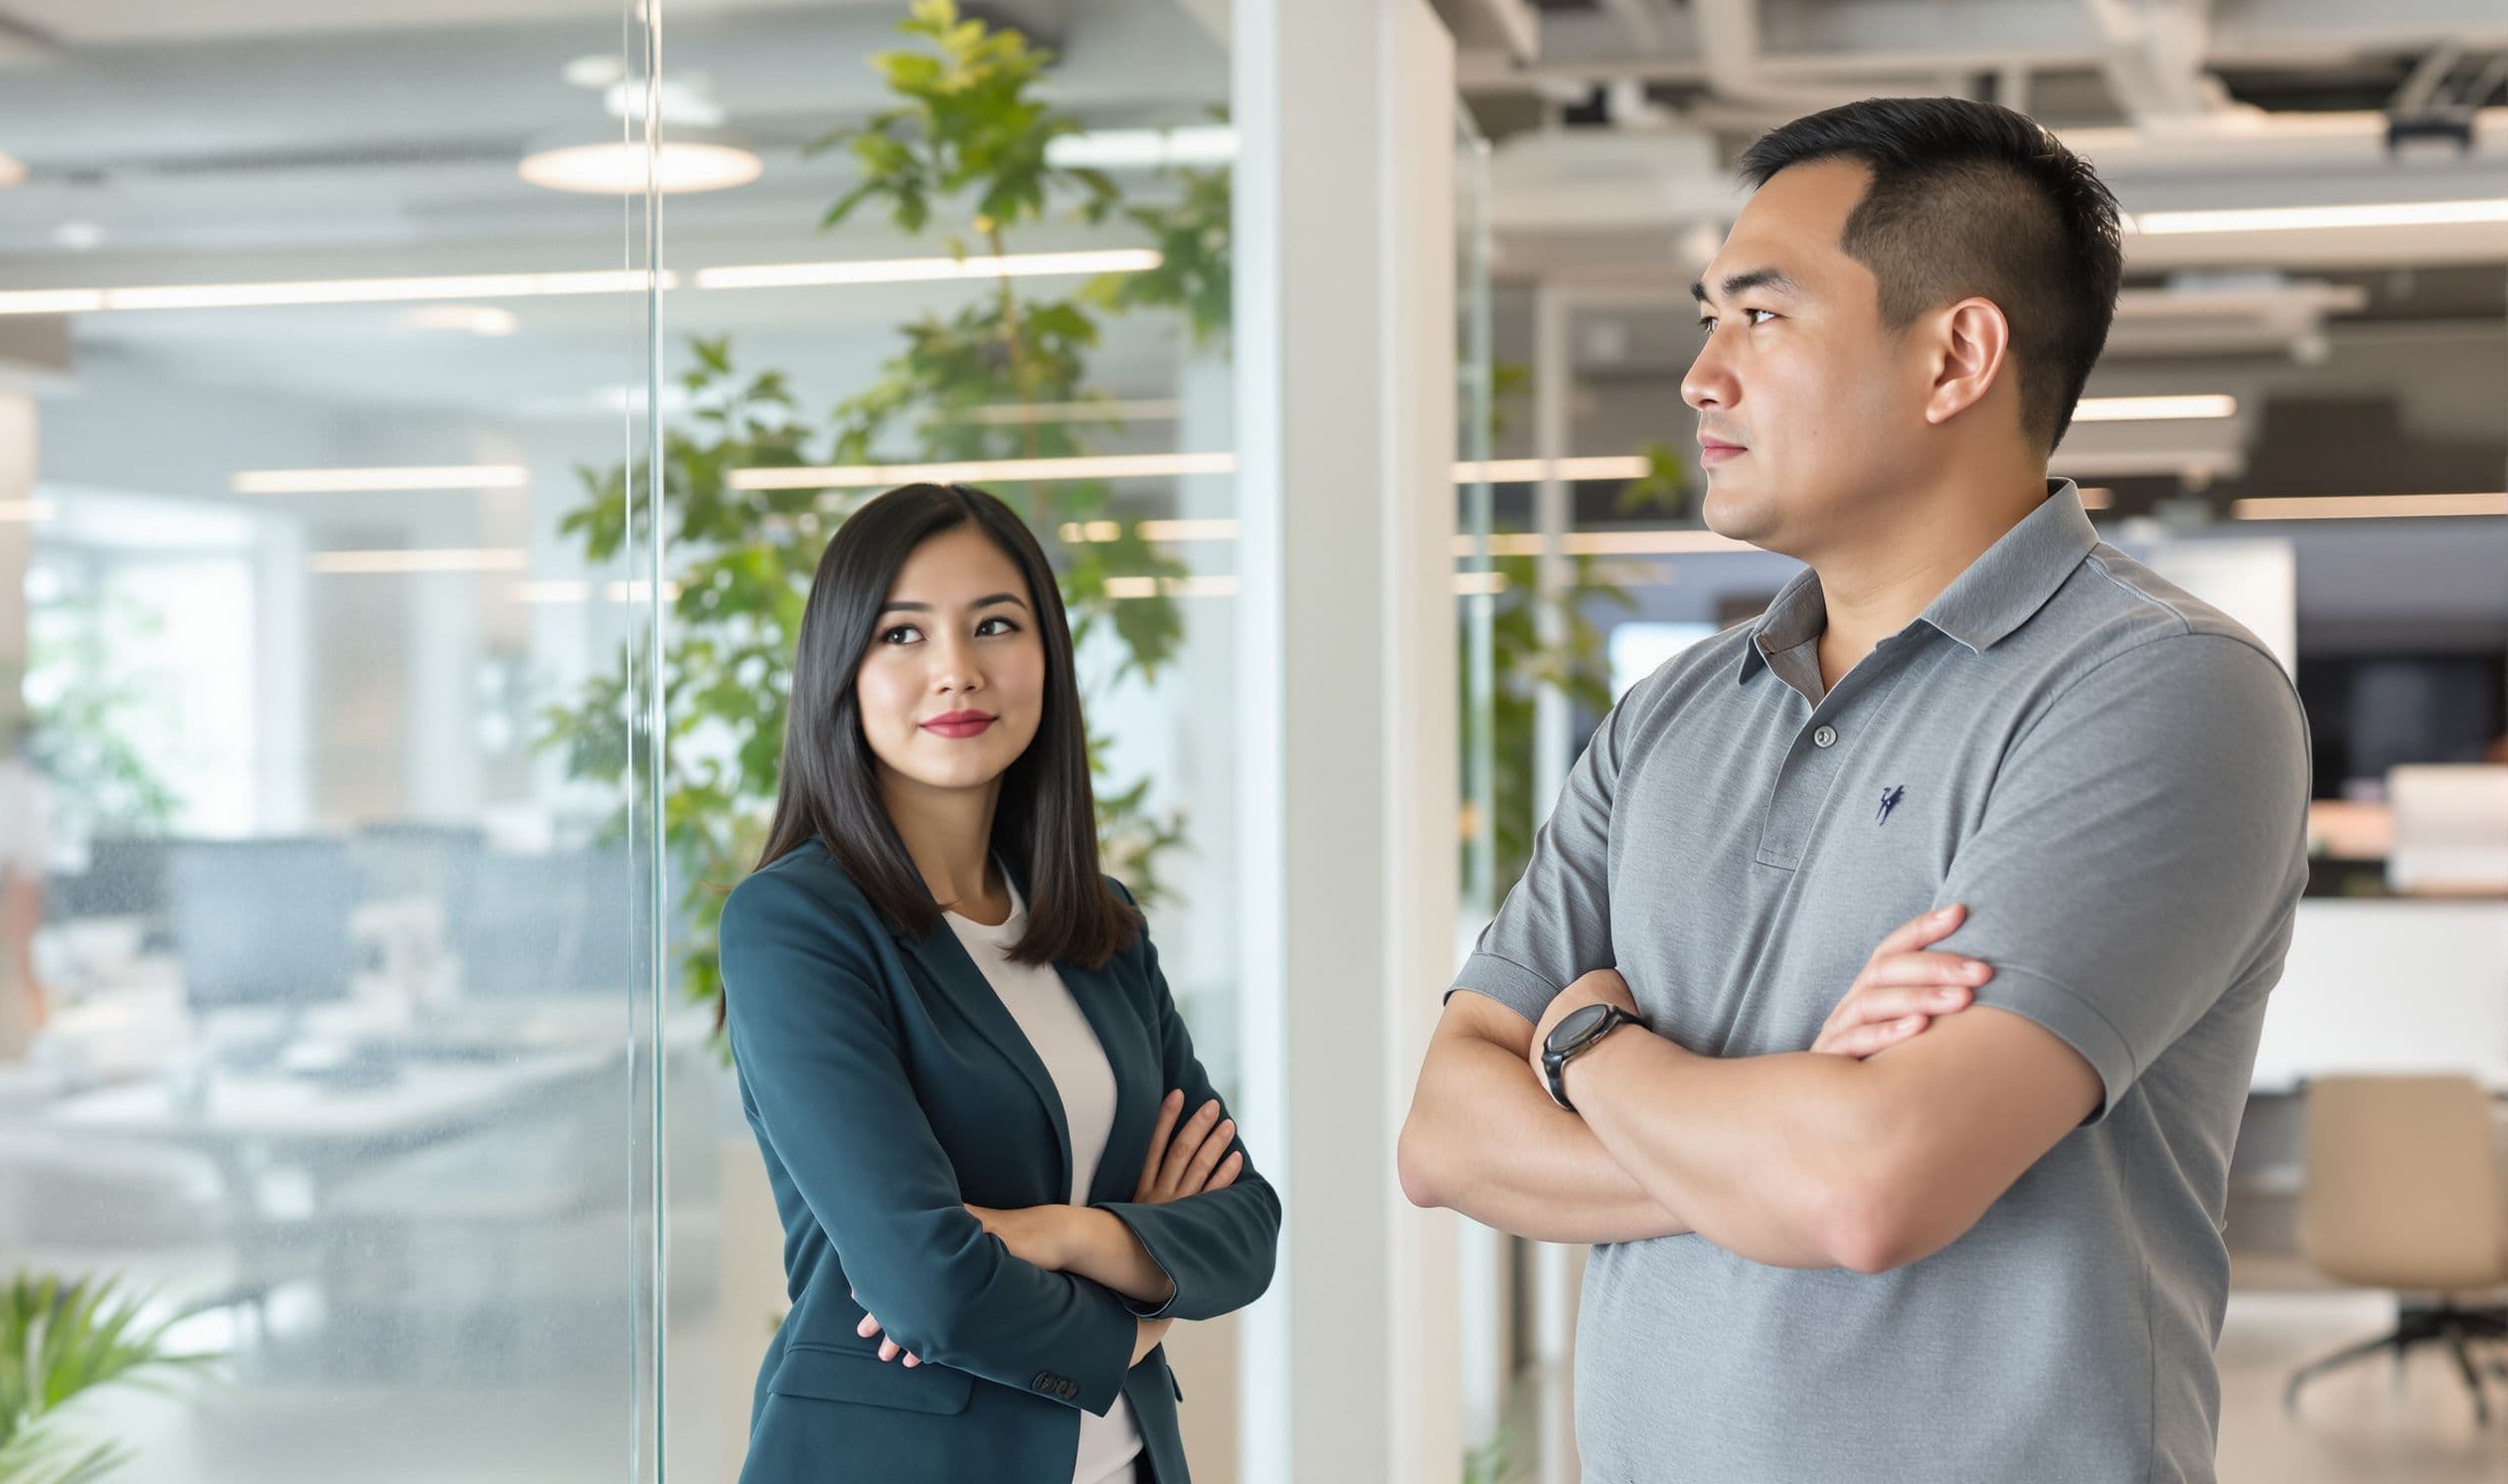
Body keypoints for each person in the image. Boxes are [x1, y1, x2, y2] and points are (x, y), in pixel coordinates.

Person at [1398, 97, 2310, 1482]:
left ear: (1955, 357)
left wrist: (1587, 1043)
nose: (1700, 377)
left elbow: (1870, 1188)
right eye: (1707, 319)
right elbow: (1445, 1139)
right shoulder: (1671, 717)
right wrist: (1772, 1143)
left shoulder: (2162, 691)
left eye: (1760, 316)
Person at [720, 482, 1279, 1484]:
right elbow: (928, 1288)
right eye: (902, 634)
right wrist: (1136, 1314)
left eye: (994, 626)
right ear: (841, 670)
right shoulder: (796, 925)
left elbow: (1243, 1227)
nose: (957, 671)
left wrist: (1059, 1233)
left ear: (1047, 657)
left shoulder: (1098, 926)